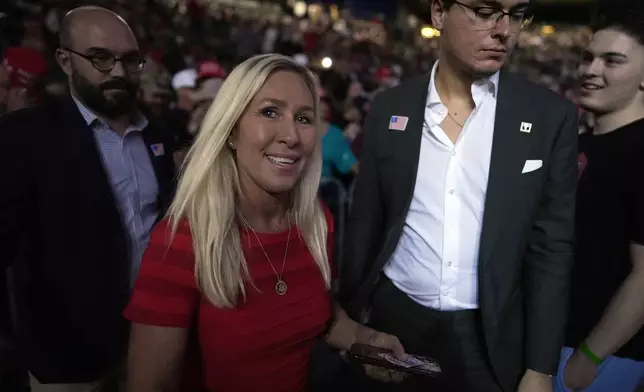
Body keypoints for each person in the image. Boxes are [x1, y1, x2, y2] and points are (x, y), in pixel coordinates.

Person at [124, 54, 404, 392]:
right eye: (269, 112)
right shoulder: (183, 241)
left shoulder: (315, 223)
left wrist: (364, 337)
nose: (291, 135)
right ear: (230, 130)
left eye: (304, 117)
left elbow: (323, 316)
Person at [340, 0, 579, 391]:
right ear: (438, 13)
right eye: (484, 12)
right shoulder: (390, 108)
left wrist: (540, 367)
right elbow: (367, 219)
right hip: (394, 319)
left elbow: (552, 249)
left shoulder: (550, 117)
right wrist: (349, 322)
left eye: (516, 15)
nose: (504, 30)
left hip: (489, 335)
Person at [0, 6, 176, 391]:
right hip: (66, 357)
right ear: (65, 60)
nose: (117, 71)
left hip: (149, 342)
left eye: (130, 60)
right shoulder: (25, 137)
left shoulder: (157, 134)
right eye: (100, 57)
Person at [555, 16, 644, 392]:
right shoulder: (580, 144)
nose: (590, 70)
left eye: (612, 60)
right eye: (587, 57)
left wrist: (588, 359)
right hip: (553, 345)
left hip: (600, 358)